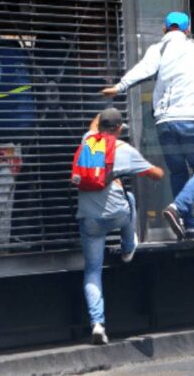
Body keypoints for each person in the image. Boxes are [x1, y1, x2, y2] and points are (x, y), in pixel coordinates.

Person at [101, 11, 194, 241]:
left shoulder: (159, 49)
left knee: (178, 171)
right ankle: (177, 208)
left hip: (165, 123)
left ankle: (190, 227)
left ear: (165, 29)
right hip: (192, 119)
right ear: (187, 29)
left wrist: (119, 86)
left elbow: (143, 70)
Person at [72, 108, 164, 345]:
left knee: (93, 271)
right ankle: (127, 247)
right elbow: (156, 174)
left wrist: (102, 113)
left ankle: (98, 324)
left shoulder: (88, 140)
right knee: (130, 200)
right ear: (119, 129)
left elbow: (94, 125)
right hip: (116, 216)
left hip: (89, 219)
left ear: (100, 125)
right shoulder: (124, 150)